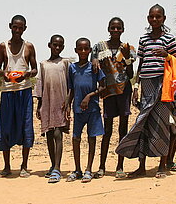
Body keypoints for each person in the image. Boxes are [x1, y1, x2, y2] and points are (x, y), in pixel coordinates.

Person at [115, 4, 176, 179]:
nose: (154, 20)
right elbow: (141, 63)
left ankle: (161, 166)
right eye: (151, 17)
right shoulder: (143, 39)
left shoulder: (169, 39)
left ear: (164, 19)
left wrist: (167, 55)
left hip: (163, 86)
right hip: (146, 85)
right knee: (143, 123)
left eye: (158, 17)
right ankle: (141, 166)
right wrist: (136, 86)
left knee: (162, 125)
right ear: (148, 19)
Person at [91, 17, 136, 179]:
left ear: (123, 30)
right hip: (108, 92)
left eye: (118, 28)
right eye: (113, 28)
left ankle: (119, 166)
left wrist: (127, 59)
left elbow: (130, 75)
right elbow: (94, 65)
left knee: (122, 130)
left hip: (124, 91)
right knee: (107, 130)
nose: (115, 31)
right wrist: (95, 61)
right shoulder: (99, 47)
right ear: (108, 29)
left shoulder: (128, 48)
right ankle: (102, 166)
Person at [0, 15, 37, 178]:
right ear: (10, 26)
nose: (17, 30)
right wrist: (4, 74)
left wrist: (26, 75)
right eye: (15, 27)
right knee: (5, 127)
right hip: (7, 91)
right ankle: (6, 167)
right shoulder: (3, 46)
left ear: (25, 28)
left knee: (26, 126)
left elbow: (35, 69)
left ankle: (24, 166)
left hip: (24, 91)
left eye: (21, 28)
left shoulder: (29, 47)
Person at [64, 38, 105, 183]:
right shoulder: (72, 68)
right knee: (76, 138)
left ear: (89, 50)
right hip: (78, 110)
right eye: (80, 49)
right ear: (76, 50)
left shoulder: (94, 67)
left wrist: (89, 95)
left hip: (92, 109)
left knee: (91, 138)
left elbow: (102, 86)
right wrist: (68, 105)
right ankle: (77, 169)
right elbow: (71, 89)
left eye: (86, 49)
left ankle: (89, 169)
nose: (83, 51)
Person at [34, 34, 70, 183]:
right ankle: (52, 165)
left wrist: (68, 103)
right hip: (47, 104)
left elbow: (70, 85)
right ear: (49, 45)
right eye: (55, 45)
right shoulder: (43, 64)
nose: (57, 48)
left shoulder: (65, 63)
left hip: (61, 104)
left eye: (60, 45)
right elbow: (40, 87)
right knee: (49, 135)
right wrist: (39, 106)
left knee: (58, 135)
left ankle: (57, 167)